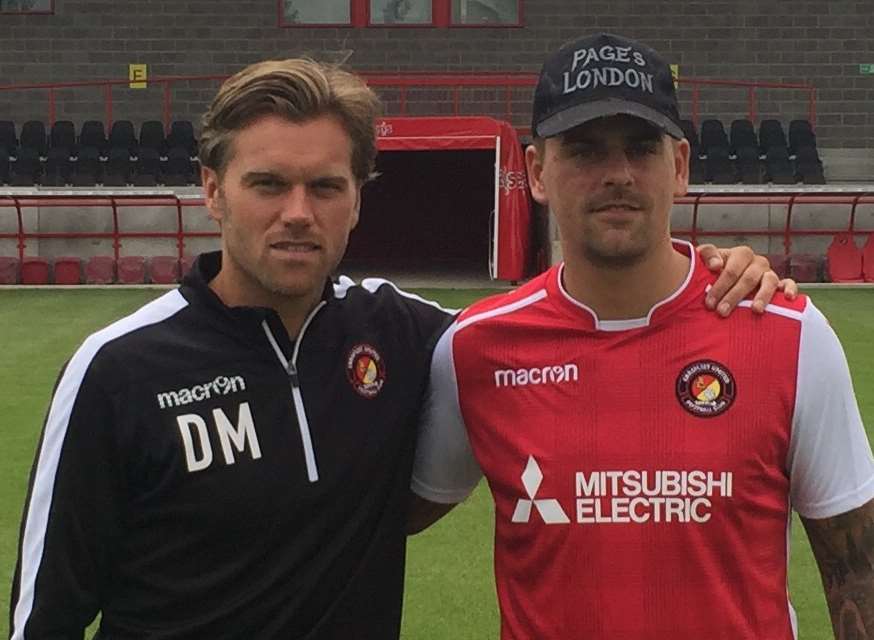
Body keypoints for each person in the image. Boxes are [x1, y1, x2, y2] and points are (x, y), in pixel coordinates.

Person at [10, 57, 790, 640]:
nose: (296, 213)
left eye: (324, 187)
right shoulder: (118, 370)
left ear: (358, 198)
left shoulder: (409, 334)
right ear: (213, 191)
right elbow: (44, 617)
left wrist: (711, 270)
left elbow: (552, 327)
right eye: (266, 184)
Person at [410, 33, 874, 640]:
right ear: (535, 172)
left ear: (678, 166)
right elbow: (373, 519)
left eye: (640, 149)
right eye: (583, 151)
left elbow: (857, 576)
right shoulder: (476, 349)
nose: (618, 175)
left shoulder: (788, 335)